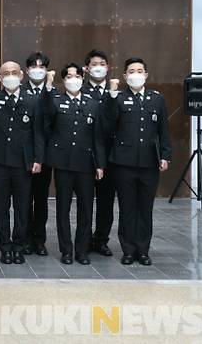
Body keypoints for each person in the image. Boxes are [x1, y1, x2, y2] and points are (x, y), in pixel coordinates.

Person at [0, 61, 44, 265]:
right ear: (0, 78)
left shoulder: (32, 100)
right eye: (6, 73)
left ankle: (18, 245)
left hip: (22, 163)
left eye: (14, 73)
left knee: (22, 207)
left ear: (22, 75)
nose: (10, 76)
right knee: (2, 207)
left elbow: (37, 133)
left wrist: (38, 159)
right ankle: (5, 246)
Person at [104, 58, 171, 266]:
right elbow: (109, 122)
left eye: (139, 70)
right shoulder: (119, 97)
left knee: (145, 208)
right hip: (123, 163)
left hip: (149, 163)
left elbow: (163, 131)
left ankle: (143, 250)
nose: (135, 74)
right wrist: (112, 95)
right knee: (127, 208)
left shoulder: (156, 99)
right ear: (125, 76)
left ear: (146, 74)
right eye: (131, 71)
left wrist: (165, 155)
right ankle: (128, 250)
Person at [43, 64, 106, 265]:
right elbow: (46, 125)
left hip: (86, 164)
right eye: (69, 76)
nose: (73, 79)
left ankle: (82, 250)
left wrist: (100, 164)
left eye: (77, 75)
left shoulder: (93, 103)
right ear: (64, 80)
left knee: (86, 209)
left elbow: (98, 137)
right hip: (63, 164)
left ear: (82, 78)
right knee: (63, 209)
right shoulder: (56, 101)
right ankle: (66, 250)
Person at [82, 49, 116, 256]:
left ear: (108, 67)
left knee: (106, 201)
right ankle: (84, 240)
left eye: (102, 63)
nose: (98, 67)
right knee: (85, 201)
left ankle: (101, 239)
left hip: (110, 155)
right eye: (94, 63)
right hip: (85, 154)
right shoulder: (79, 90)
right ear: (86, 69)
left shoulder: (115, 92)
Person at [22, 51, 55, 256]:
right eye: (33, 66)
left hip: (46, 155)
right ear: (26, 71)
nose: (37, 70)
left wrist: (49, 89)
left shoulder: (53, 92)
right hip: (23, 154)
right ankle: (24, 238)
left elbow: (50, 115)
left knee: (41, 199)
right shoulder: (20, 91)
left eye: (41, 67)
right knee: (24, 198)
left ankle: (39, 240)